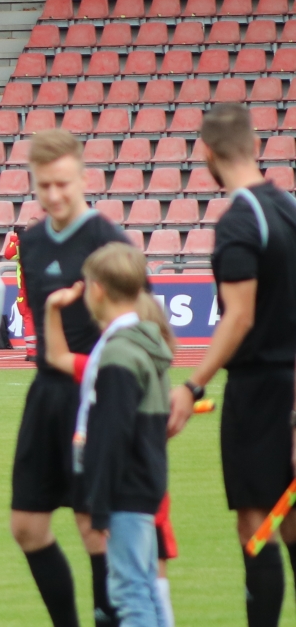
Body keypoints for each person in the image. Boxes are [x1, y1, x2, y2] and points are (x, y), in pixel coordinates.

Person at [169, 103, 296, 626]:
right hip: (290, 386)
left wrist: (191, 385)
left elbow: (238, 317)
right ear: (255, 144)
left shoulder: (241, 219)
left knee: (256, 526)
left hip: (259, 390)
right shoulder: (288, 208)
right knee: (290, 524)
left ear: (207, 153)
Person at [7, 129, 130, 627]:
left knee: (92, 526)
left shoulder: (108, 241)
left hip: (95, 394)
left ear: (82, 177)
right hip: (47, 393)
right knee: (26, 526)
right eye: (44, 186)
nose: (54, 195)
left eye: (63, 184)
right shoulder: (33, 243)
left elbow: (138, 329)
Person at [45, 244, 175, 627]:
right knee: (146, 588)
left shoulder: (119, 352)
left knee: (129, 594)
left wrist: (99, 502)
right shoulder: (143, 342)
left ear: (98, 289)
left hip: (124, 488)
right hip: (143, 481)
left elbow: (112, 432)